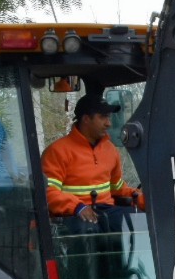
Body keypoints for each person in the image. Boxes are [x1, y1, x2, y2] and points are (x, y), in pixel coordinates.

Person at [41, 92, 142, 229]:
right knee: (87, 229)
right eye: (103, 117)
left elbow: (117, 187)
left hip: (106, 210)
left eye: (108, 117)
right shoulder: (57, 151)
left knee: (140, 222)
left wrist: (140, 196)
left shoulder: (110, 150)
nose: (108, 123)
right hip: (74, 215)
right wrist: (77, 207)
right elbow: (47, 192)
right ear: (86, 119)